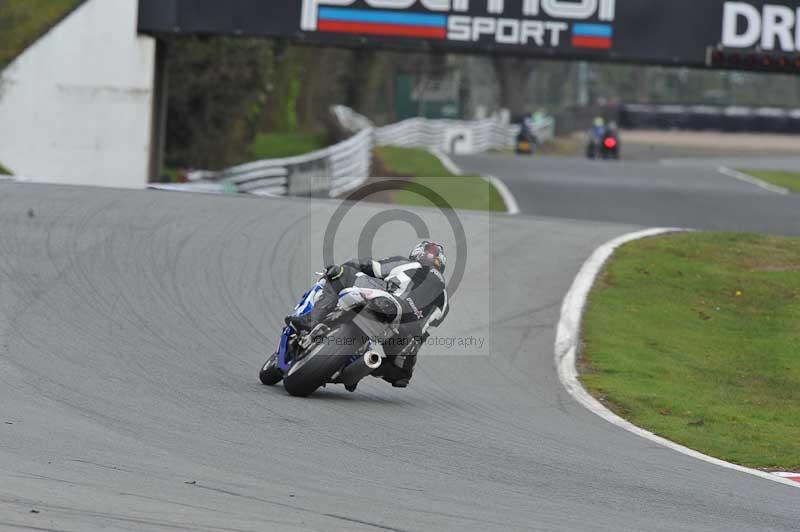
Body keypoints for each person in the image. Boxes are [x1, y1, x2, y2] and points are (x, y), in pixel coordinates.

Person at [286, 241, 449, 388]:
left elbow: (370, 266)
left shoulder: (409, 264)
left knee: (341, 273)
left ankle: (310, 320)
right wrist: (403, 367)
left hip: (388, 303)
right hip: (405, 334)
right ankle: (359, 366)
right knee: (397, 372)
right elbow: (423, 334)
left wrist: (344, 266)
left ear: (418, 254)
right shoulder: (445, 302)